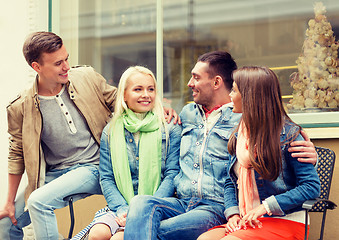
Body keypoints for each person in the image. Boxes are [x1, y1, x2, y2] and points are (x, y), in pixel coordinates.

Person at [0, 32, 178, 240]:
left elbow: (121, 100)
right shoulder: (20, 107)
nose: (66, 66)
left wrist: (160, 108)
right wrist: (9, 201)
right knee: (6, 221)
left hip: (93, 166)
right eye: (58, 63)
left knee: (38, 201)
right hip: (54, 174)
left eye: (66, 58)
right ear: (37, 67)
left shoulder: (86, 77)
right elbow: (16, 156)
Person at [123, 51, 318, 240]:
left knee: (145, 231)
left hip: (221, 208)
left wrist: (312, 157)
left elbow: (305, 181)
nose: (189, 84)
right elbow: (231, 180)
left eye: (195, 78)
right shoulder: (220, 126)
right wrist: (158, 109)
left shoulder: (254, 125)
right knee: (140, 203)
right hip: (189, 204)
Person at [197, 66, 320, 240]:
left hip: (286, 219)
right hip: (250, 218)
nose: (230, 95)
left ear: (249, 97)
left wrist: (266, 206)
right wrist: (233, 214)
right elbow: (231, 182)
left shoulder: (290, 136)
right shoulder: (240, 135)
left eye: (234, 90)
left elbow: (311, 187)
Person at [81, 66, 180, 240]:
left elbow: (172, 174)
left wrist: (145, 208)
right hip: (120, 207)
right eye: (138, 89)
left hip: (157, 205)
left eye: (151, 89)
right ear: (124, 95)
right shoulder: (111, 131)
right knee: (97, 235)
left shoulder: (169, 128)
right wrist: (123, 209)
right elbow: (106, 177)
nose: (146, 95)